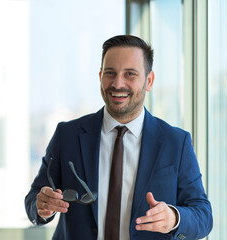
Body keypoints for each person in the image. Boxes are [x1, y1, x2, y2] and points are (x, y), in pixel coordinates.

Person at [25, 35, 213, 240]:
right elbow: (34, 198)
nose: (117, 83)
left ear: (149, 81)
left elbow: (203, 214)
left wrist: (174, 218)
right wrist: (41, 206)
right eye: (110, 73)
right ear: (100, 76)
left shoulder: (176, 142)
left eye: (130, 74)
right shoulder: (67, 135)